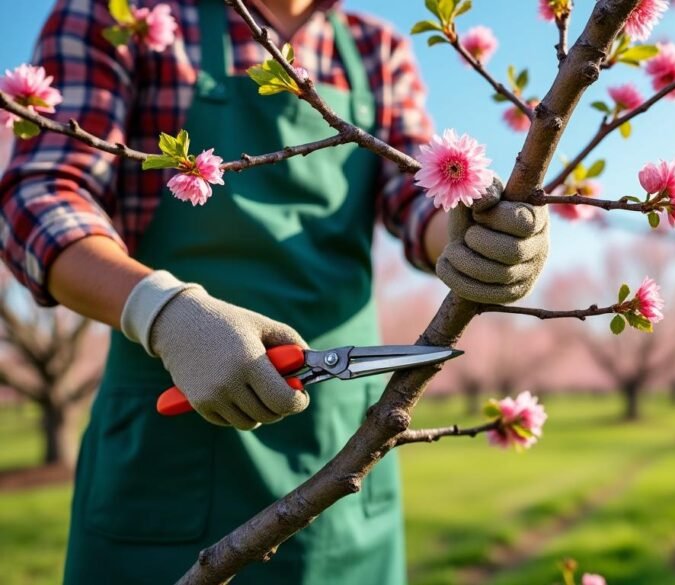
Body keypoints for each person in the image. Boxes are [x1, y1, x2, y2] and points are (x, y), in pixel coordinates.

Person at [0, 0, 548, 582]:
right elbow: (41, 199)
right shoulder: (126, 18)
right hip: (166, 448)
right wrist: (163, 311)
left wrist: (470, 230)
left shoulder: (376, 50)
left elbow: (412, 187)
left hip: (341, 447)